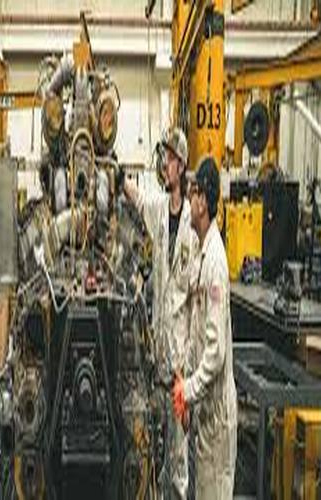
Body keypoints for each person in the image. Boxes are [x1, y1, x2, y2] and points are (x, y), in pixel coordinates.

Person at [122, 127, 196, 499]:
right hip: (158, 356)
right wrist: (117, 177)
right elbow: (137, 200)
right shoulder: (159, 210)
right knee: (155, 446)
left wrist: (191, 366)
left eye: (167, 159)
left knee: (179, 452)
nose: (162, 165)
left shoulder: (194, 224)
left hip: (182, 364)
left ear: (180, 164)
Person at [172, 156, 237, 500]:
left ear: (204, 202)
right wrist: (183, 376)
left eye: (194, 190)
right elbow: (193, 322)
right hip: (204, 414)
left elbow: (216, 352)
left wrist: (188, 391)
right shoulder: (200, 250)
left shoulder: (215, 261)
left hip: (217, 420)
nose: (189, 196)